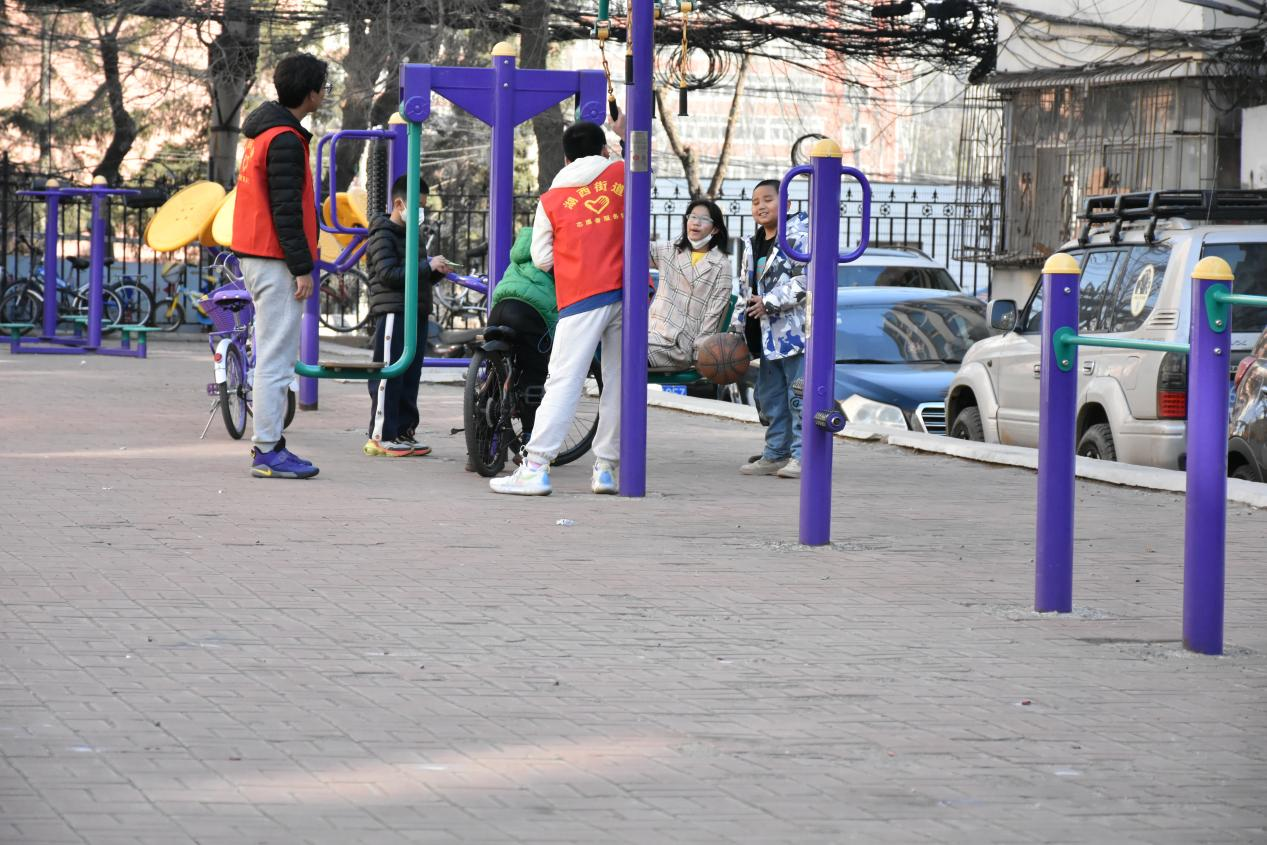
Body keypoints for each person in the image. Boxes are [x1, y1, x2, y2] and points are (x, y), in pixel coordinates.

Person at [489, 120, 624, 496]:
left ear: (565, 158)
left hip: (582, 294)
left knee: (564, 380)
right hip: (625, 292)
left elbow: (541, 257)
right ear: (603, 150)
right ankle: (606, 469)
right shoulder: (622, 175)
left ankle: (535, 467)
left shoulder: (551, 199)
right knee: (618, 381)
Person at [231, 53, 327, 479]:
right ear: (311, 93)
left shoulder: (262, 134)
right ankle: (267, 449)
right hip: (275, 260)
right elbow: (286, 210)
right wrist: (302, 266)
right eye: (323, 87)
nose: (324, 94)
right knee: (276, 359)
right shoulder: (285, 139)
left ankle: (270, 444)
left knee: (271, 354)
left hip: (258, 254)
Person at [362, 175, 452, 457]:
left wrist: (434, 272)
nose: (421, 212)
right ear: (399, 204)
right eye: (418, 206)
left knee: (411, 374)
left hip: (416, 310)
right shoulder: (382, 234)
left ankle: (403, 431)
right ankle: (382, 435)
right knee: (390, 373)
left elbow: (416, 275)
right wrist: (427, 266)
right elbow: (389, 275)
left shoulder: (414, 234)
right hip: (394, 310)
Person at [732, 179, 809, 479]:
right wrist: (737, 329)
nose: (760, 206)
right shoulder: (753, 244)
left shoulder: (800, 236)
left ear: (786, 204)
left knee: (798, 398)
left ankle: (803, 457)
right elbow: (745, 289)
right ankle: (776, 453)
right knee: (771, 398)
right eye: (755, 202)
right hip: (766, 337)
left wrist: (769, 302)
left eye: (768, 199)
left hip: (797, 335)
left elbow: (807, 279)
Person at [487, 226, 558, 440]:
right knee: (534, 371)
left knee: (494, 372)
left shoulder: (522, 248)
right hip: (529, 312)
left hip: (499, 309)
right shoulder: (557, 248)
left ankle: (482, 441)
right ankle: (529, 437)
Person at [647, 199, 733, 370]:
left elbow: (713, 313)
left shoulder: (721, 265)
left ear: (715, 229)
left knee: (627, 351)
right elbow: (635, 249)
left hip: (680, 345)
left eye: (704, 219)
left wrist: (699, 354)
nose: (696, 222)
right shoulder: (670, 250)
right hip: (651, 333)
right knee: (613, 343)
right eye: (692, 217)